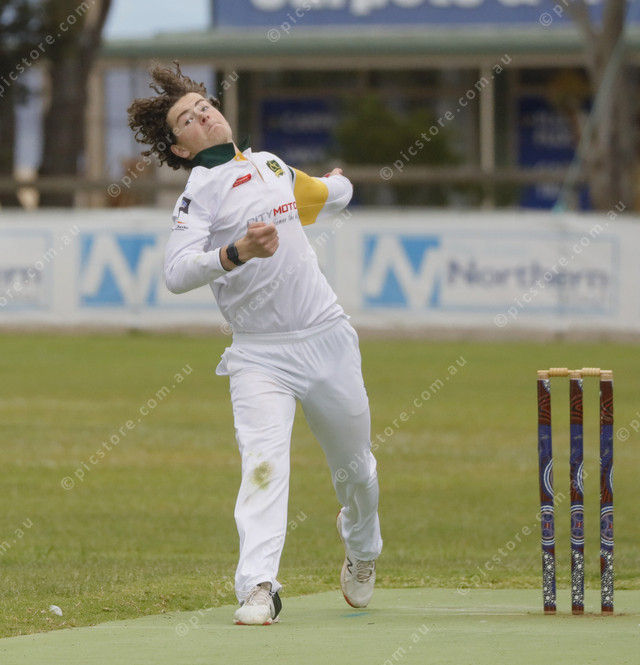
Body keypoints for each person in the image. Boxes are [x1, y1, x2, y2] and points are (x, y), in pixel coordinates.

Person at [127, 62, 382, 626]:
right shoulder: (199, 192)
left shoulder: (269, 164)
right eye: (187, 120)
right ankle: (259, 587)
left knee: (357, 471)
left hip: (327, 338)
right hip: (259, 355)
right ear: (180, 147)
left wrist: (340, 183)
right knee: (263, 466)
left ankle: (363, 546)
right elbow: (176, 272)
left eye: (204, 107)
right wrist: (237, 252)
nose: (202, 116)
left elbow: (324, 195)